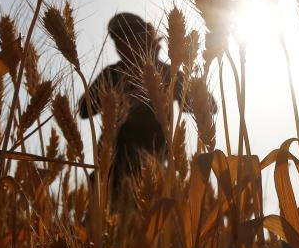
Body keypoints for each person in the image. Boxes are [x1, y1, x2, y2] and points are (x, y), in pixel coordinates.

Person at [78, 12, 215, 196]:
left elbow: (209, 106)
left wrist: (189, 80)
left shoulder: (169, 73)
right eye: (117, 40)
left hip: (154, 169)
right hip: (111, 170)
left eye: (127, 36)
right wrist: (119, 95)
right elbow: (84, 110)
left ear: (145, 36)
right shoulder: (113, 73)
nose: (121, 44)